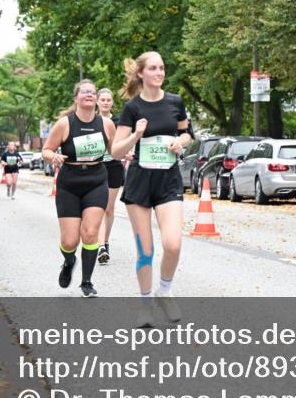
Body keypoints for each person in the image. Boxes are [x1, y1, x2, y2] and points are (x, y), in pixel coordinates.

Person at [110, 52, 191, 324]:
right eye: (153, 68)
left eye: (162, 68)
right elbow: (116, 151)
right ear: (142, 74)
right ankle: (145, 304)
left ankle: (164, 292)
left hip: (168, 180)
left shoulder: (175, 102)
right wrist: (136, 135)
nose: (159, 72)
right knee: (146, 251)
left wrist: (182, 142)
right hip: (140, 182)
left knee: (173, 243)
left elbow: (187, 132)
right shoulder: (133, 108)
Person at [41, 79, 115, 298]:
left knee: (91, 233)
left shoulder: (106, 124)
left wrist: (127, 149)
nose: (90, 95)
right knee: (69, 241)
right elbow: (46, 149)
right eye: (85, 92)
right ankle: (69, 260)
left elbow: (116, 150)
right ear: (76, 98)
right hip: (69, 183)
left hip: (96, 179)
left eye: (93, 92)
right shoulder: (65, 123)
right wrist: (52, 155)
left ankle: (87, 282)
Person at [96, 88, 125, 265]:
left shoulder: (119, 121)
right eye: (103, 100)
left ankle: (105, 242)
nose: (106, 102)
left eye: (109, 100)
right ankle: (100, 247)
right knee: (99, 207)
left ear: (112, 102)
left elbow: (123, 141)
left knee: (109, 209)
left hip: (114, 167)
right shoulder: (92, 120)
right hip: (97, 167)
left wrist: (125, 152)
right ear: (97, 102)